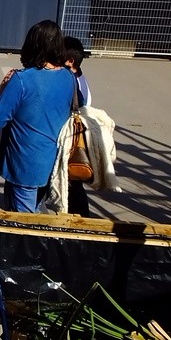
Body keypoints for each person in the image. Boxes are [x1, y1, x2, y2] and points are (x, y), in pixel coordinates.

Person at [0, 20, 75, 213]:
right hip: (53, 161)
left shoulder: (22, 80)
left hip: (23, 163)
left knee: (23, 221)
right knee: (36, 211)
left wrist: (2, 90)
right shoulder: (68, 77)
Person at [64, 36, 92, 217]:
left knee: (72, 185)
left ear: (70, 61)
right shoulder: (80, 78)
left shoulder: (73, 82)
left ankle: (79, 219)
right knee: (73, 185)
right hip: (74, 136)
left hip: (70, 139)